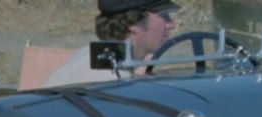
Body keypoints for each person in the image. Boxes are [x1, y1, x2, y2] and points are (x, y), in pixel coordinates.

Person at [44, 0, 178, 86]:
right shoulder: (107, 74)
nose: (171, 24)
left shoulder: (103, 57)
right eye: (164, 16)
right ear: (134, 22)